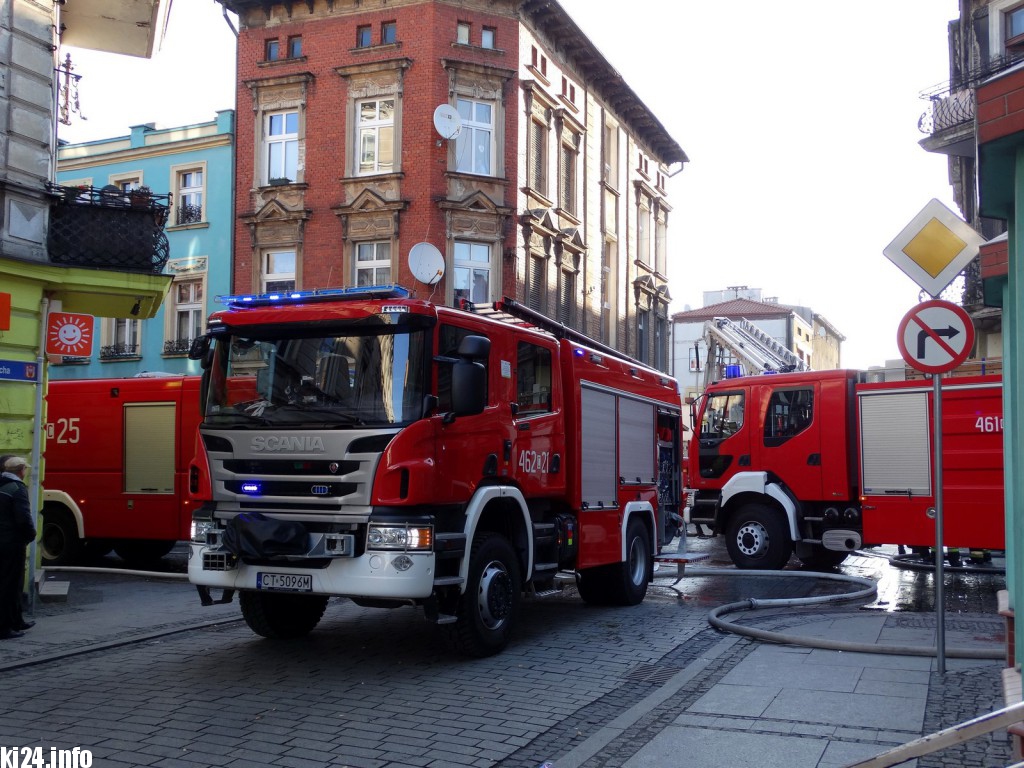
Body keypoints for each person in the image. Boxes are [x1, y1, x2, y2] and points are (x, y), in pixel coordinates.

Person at [0, 456, 37, 639]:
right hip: (11, 543)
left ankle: (16, 620)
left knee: (8, 583)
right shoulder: (17, 488)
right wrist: (31, 536)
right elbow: (23, 518)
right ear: (21, 470)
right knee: (11, 585)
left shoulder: (2, 485)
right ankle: (5, 626)